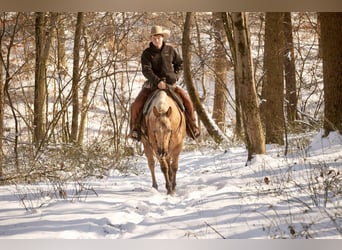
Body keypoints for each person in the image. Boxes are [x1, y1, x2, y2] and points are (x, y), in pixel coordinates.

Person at [129, 25, 200, 141]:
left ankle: (192, 127)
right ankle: (135, 129)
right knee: (136, 105)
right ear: (151, 38)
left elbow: (180, 64)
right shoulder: (147, 53)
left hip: (171, 85)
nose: (156, 39)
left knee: (188, 101)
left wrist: (176, 76)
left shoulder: (170, 50)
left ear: (163, 37)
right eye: (154, 37)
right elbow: (146, 70)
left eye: (159, 37)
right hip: (152, 86)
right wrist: (157, 82)